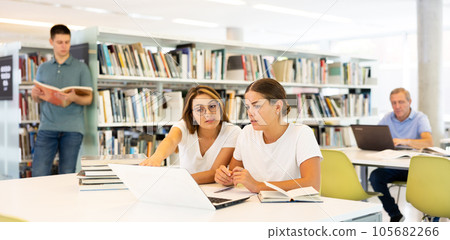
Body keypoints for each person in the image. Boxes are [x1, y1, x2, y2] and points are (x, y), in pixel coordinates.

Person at [215, 78, 322, 193]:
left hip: (292, 207)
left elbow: (312, 184)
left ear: (277, 107)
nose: (250, 113)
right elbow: (233, 175)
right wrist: (224, 177)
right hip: (256, 206)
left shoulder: (301, 134)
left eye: (256, 106)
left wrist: (258, 186)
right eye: (247, 107)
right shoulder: (246, 133)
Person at [140, 85, 241, 184]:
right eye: (200, 109)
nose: (208, 114)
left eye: (212, 106)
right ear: (192, 114)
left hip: (216, 191)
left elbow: (214, 172)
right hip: (185, 189)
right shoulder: (183, 126)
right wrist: (156, 158)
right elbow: (171, 140)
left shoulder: (232, 131)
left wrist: (177, 180)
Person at [31, 24, 93, 176]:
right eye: (60, 42)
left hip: (72, 130)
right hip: (47, 127)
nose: (64, 46)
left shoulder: (81, 68)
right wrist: (35, 94)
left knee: (67, 174)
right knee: (38, 173)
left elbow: (89, 99)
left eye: (67, 42)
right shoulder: (43, 68)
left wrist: (73, 97)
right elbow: (37, 100)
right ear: (51, 42)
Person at [369, 87, 433, 222]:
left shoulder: (420, 118)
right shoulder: (387, 118)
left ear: (410, 102)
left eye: (401, 102)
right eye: (393, 103)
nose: (397, 106)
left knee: (430, 182)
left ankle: (431, 216)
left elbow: (428, 142)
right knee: (375, 177)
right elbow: (376, 137)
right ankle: (395, 214)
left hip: (414, 169)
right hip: (393, 166)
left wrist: (405, 141)